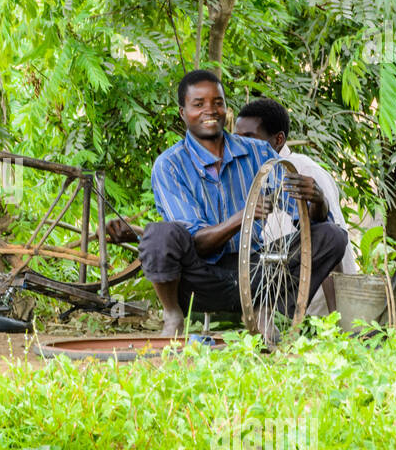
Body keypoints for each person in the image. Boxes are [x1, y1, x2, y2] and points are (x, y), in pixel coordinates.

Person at [134, 69, 348, 337]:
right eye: (198, 104)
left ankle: (265, 307)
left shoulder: (259, 152)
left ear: (226, 108)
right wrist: (244, 216)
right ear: (182, 113)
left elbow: (307, 222)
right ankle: (173, 315)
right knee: (160, 233)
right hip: (199, 279)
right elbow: (196, 241)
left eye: (217, 103)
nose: (210, 111)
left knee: (332, 236)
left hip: (255, 271)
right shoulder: (170, 165)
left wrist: (318, 201)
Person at [233, 97, 359, 316]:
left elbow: (333, 246)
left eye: (249, 138)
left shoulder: (306, 172)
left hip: (309, 304)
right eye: (236, 138)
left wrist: (335, 320)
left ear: (278, 139)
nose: (239, 145)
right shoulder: (244, 173)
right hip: (267, 284)